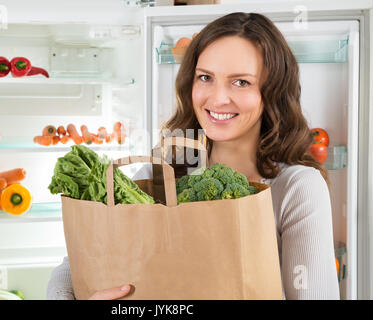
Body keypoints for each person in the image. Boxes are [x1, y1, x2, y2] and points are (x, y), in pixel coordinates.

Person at [46, 12, 339, 300]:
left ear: (273, 91)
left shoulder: (297, 187)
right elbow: (71, 269)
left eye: (241, 82)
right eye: (205, 77)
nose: (217, 98)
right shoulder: (164, 169)